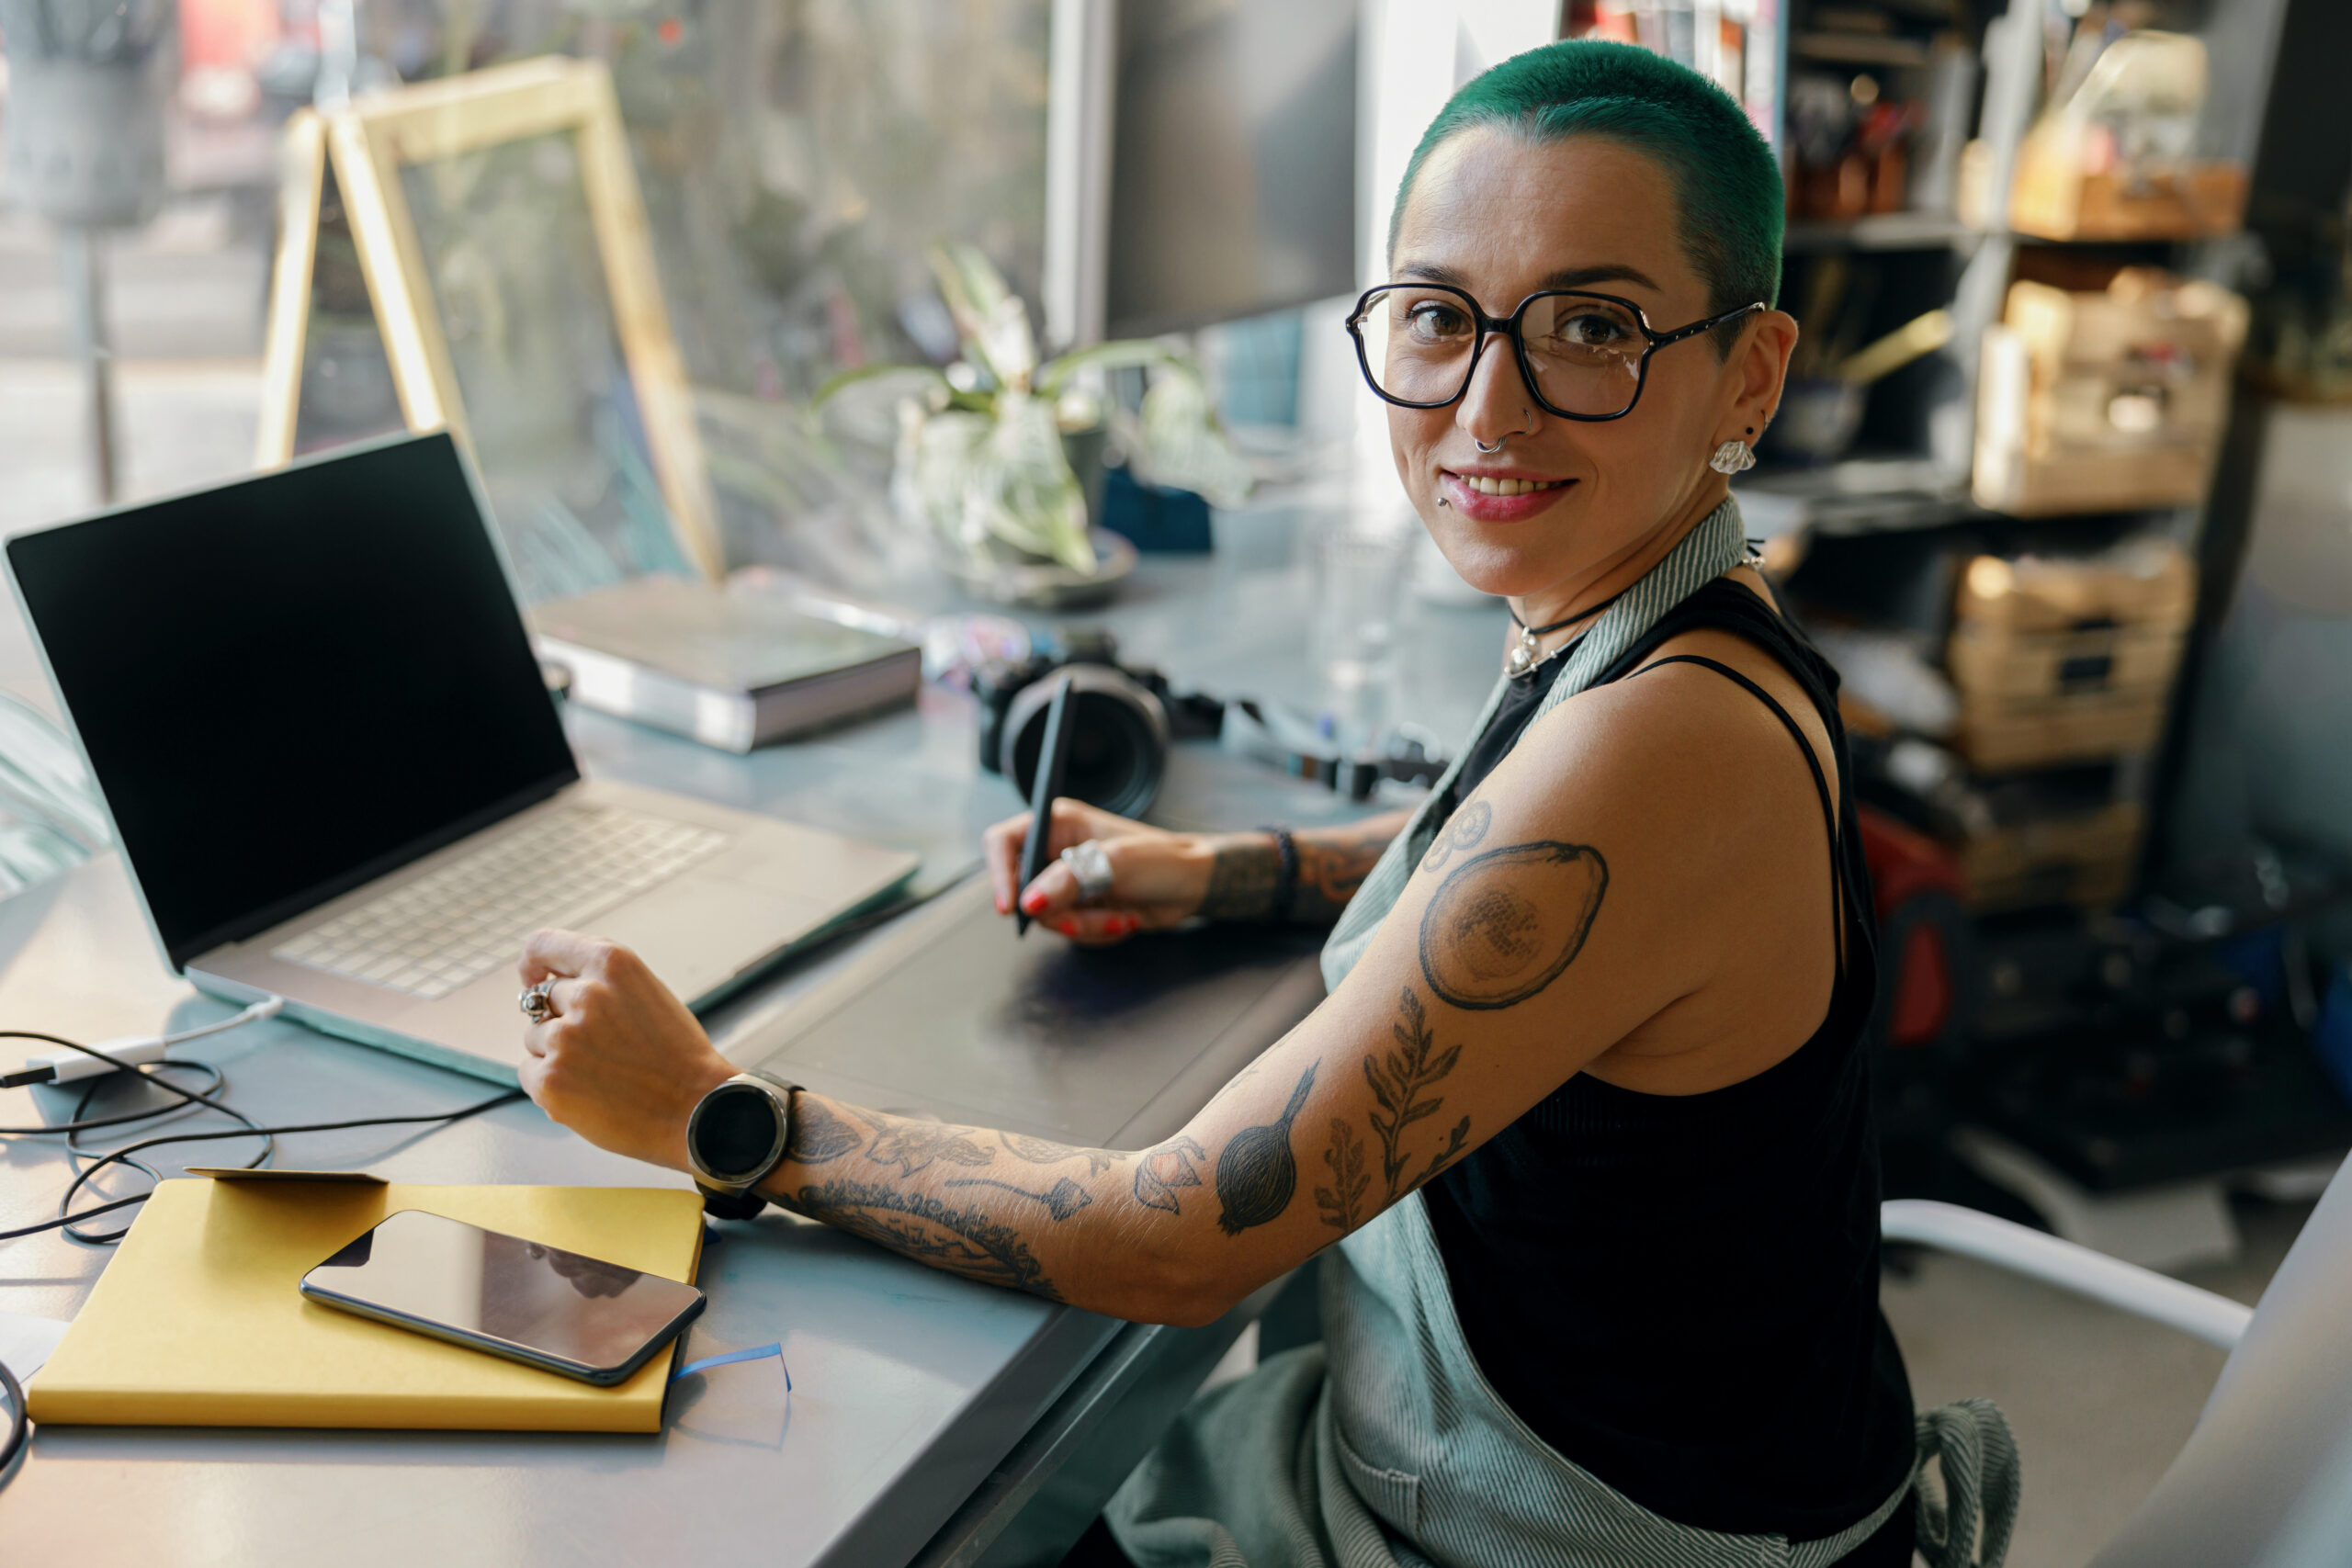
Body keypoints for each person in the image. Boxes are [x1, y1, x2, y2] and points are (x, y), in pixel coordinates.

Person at [513, 39, 2014, 1568]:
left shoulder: (1670, 744)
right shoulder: (1686, 623)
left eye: (1592, 327)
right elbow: (1519, 871)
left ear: (1749, 372)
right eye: (1437, 318)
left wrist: (714, 1111)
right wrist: (1219, 871)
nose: (1489, 408)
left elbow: (1179, 1236)